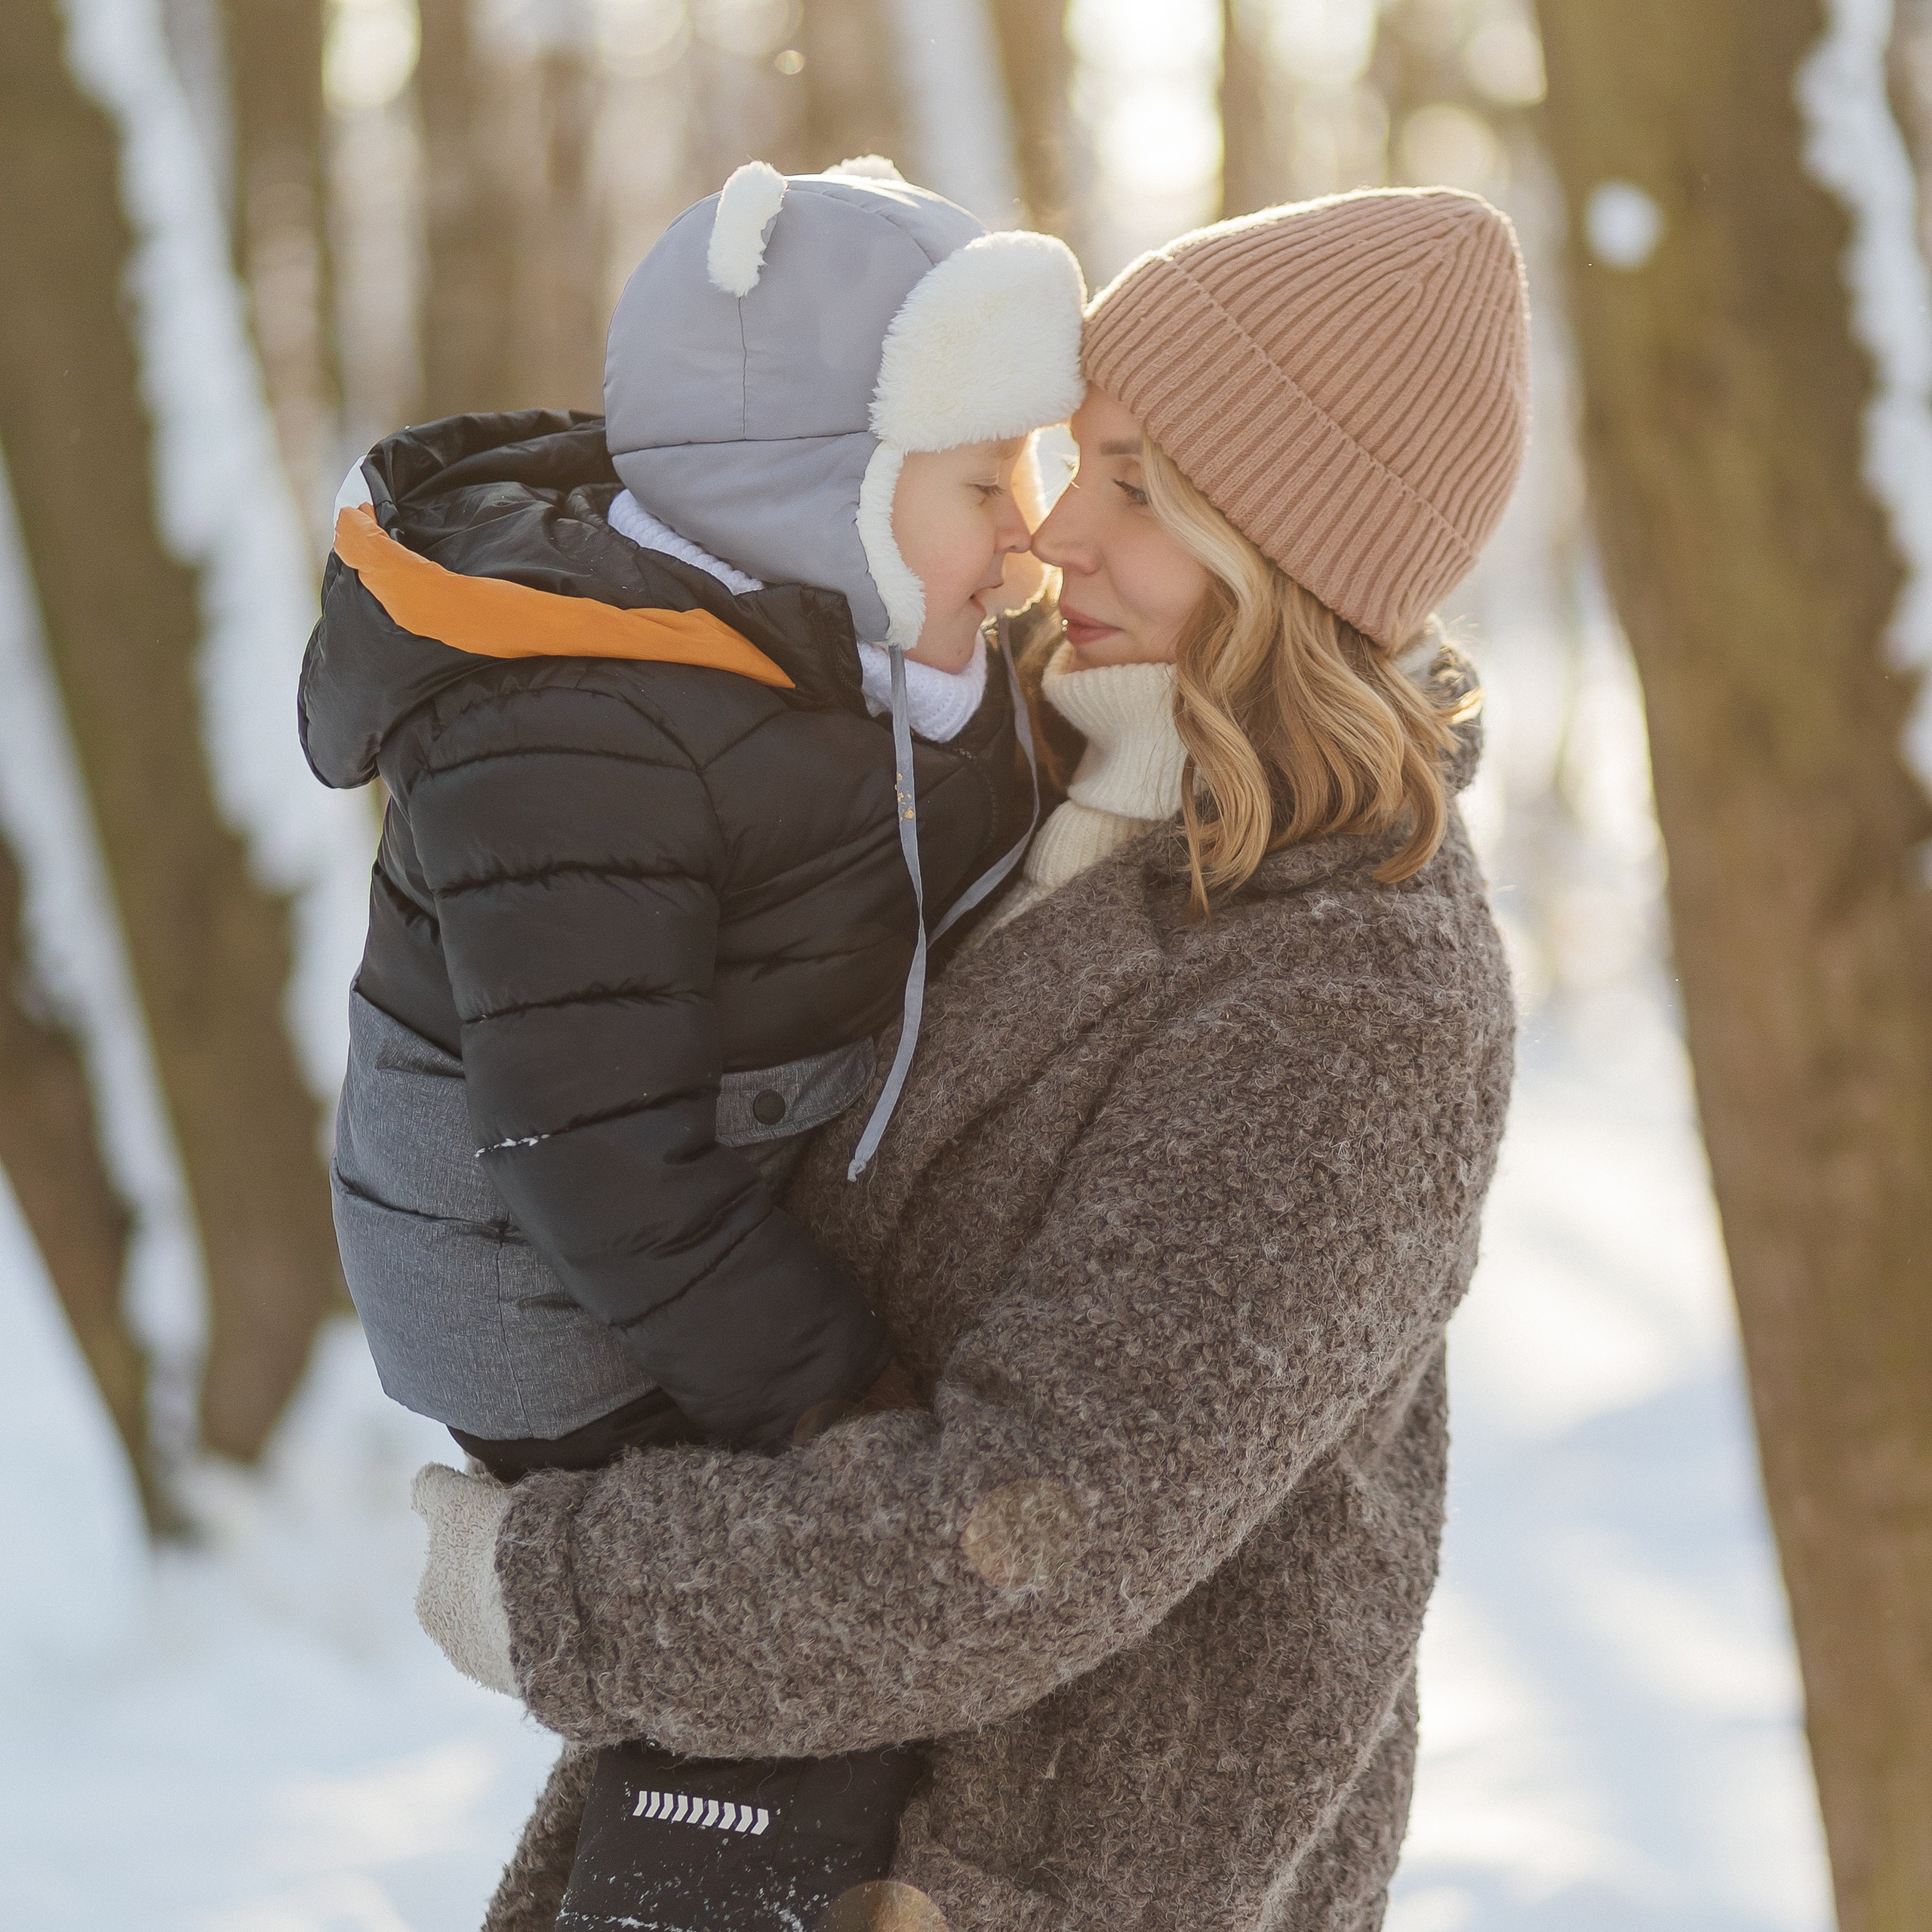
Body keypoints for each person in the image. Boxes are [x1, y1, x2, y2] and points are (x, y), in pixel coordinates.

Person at [413, 186, 1531, 1932]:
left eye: (1140, 489)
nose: (1055, 533)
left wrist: (558, 1585)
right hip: (742, 1815)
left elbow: (1017, 1531)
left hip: (1016, 1866)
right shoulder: (981, 774)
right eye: (1073, 459)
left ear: (1289, 551)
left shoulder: (1352, 990)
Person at [300, 157, 1084, 1929]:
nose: (1029, 530)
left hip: (688, 1199)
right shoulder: (570, 723)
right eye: (984, 479)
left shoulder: (841, 649)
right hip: (529, 1282)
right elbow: (586, 1142)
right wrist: (830, 1390)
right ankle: (701, 1889)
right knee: (810, 1616)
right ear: (816, 486)